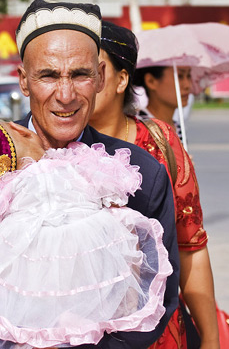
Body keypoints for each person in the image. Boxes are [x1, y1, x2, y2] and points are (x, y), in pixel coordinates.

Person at [0, 0, 180, 349]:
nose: (65, 95)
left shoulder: (138, 174)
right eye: (48, 75)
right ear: (23, 80)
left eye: (79, 75)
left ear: (99, 77)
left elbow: (160, 294)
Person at [0, 116, 172, 348]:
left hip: (33, 275)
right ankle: (106, 316)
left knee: (21, 309)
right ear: (20, 129)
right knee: (119, 272)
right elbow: (114, 197)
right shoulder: (79, 162)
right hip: (89, 260)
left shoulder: (6, 191)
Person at [89, 21, 219, 349]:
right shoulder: (54, 147)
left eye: (91, 69)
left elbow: (191, 249)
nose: (79, 83)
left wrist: (211, 339)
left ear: (121, 79)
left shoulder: (161, 144)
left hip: (159, 334)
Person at [133, 65, 192, 144]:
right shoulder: (138, 127)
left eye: (188, 76)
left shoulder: (178, 128)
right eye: (179, 76)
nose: (187, 85)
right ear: (151, 81)